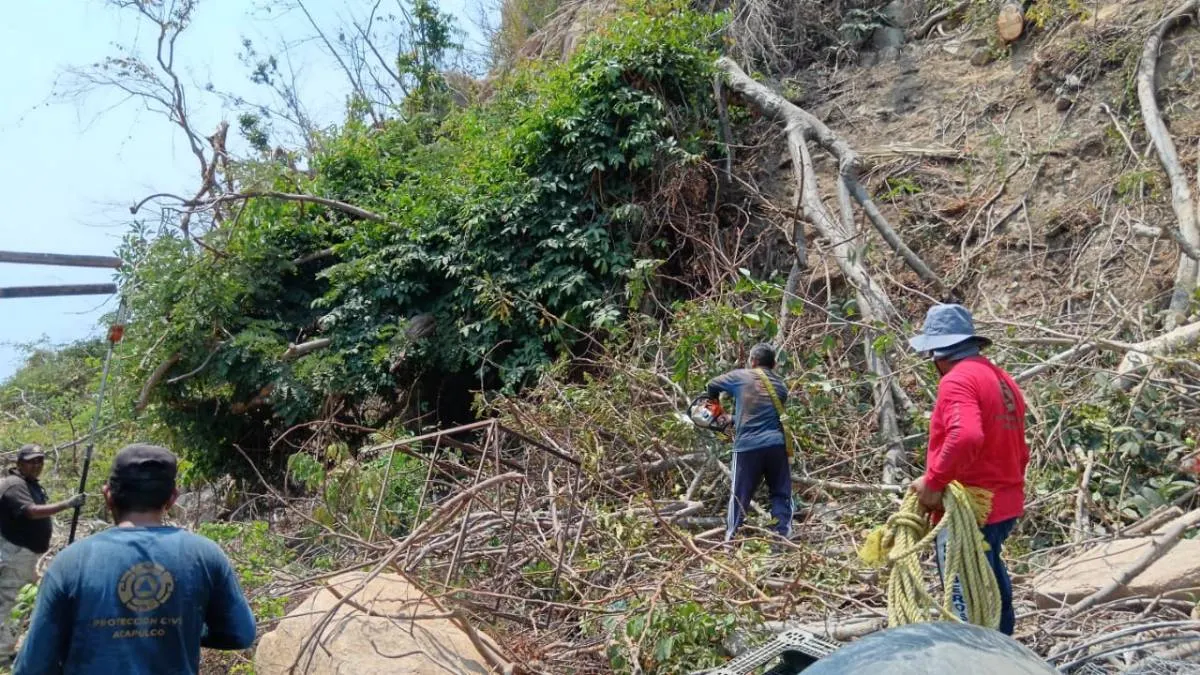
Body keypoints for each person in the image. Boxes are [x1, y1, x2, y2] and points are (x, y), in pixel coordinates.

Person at [14, 444, 256, 674]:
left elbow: (32, 666)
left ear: (108, 495)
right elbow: (241, 633)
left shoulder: (70, 562)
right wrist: (183, 627)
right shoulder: (206, 554)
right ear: (172, 498)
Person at [907, 304, 1030, 636]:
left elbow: (966, 435)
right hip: (1004, 501)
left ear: (938, 353)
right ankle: (1004, 650)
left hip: (972, 507)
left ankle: (973, 658)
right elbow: (1020, 446)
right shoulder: (1001, 379)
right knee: (988, 578)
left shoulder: (957, 380)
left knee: (964, 592)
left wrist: (934, 481)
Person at [0, 445, 85, 662]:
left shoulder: (30, 485)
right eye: (31, 461)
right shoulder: (14, 485)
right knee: (11, 600)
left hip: (28, 555)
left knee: (22, 601)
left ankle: (7, 649)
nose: (36, 465)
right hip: (16, 553)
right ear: (19, 464)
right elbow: (30, 512)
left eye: (40, 461)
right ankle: (2, 653)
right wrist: (67, 504)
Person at [705, 343, 793, 542]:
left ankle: (731, 538)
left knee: (739, 495)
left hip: (747, 446)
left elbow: (711, 385)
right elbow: (764, 414)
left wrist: (717, 410)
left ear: (752, 361)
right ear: (775, 364)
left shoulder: (741, 376)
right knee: (780, 492)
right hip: (776, 445)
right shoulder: (781, 387)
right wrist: (733, 418)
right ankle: (782, 537)